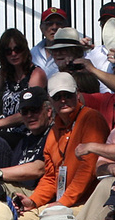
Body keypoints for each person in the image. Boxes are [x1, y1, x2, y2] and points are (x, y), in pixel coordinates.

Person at [25, 73, 107, 209]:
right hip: (64, 202)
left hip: (87, 204)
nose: (63, 100)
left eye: (67, 95)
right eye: (57, 97)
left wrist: (63, 203)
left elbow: (88, 168)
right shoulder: (54, 131)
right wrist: (33, 201)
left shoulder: (91, 118)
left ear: (77, 95)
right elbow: (50, 177)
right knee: (21, 219)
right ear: (50, 101)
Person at [0, 29, 47, 145]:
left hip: (28, 133)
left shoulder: (36, 74)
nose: (13, 54)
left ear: (25, 50)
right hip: (5, 133)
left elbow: (28, 113)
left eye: (17, 49)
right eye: (8, 51)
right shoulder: (5, 73)